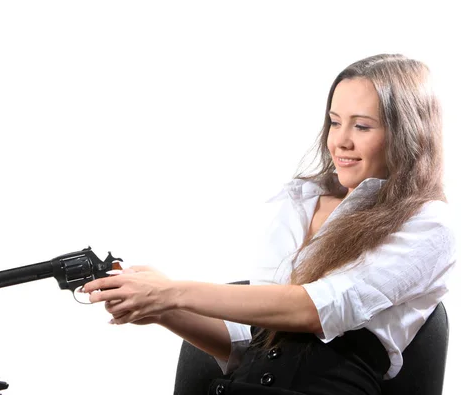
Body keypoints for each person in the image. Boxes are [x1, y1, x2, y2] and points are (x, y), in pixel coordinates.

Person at [82, 54, 456, 395]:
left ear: (407, 133)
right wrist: (162, 310)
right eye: (334, 122)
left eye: (361, 126)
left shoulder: (426, 223)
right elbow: (249, 345)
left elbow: (319, 308)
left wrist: (171, 291)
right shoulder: (299, 203)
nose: (339, 141)